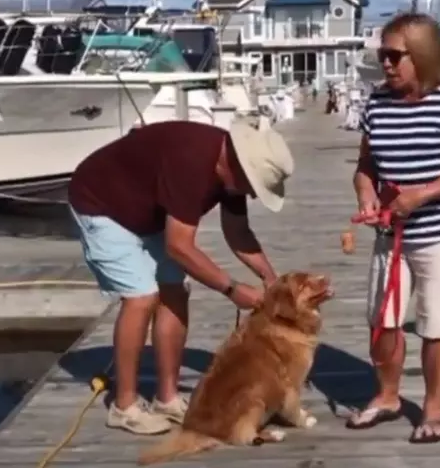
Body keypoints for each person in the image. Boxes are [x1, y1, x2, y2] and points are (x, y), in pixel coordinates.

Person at [68, 119, 294, 435]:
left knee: (175, 289)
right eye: (253, 186)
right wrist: (231, 288)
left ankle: (168, 399)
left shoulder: (232, 173)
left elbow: (237, 232)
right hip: (100, 203)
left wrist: (271, 279)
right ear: (240, 165)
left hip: (147, 213)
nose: (252, 195)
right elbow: (179, 246)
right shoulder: (192, 163)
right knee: (142, 295)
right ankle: (124, 407)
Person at [347, 13, 440, 443]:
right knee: (382, 321)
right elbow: (366, 165)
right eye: (381, 55)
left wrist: (420, 195)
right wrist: (366, 195)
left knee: (435, 323)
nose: (386, 64)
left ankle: (432, 406)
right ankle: (388, 396)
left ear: (423, 55)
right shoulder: (376, 103)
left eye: (395, 56)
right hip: (390, 233)